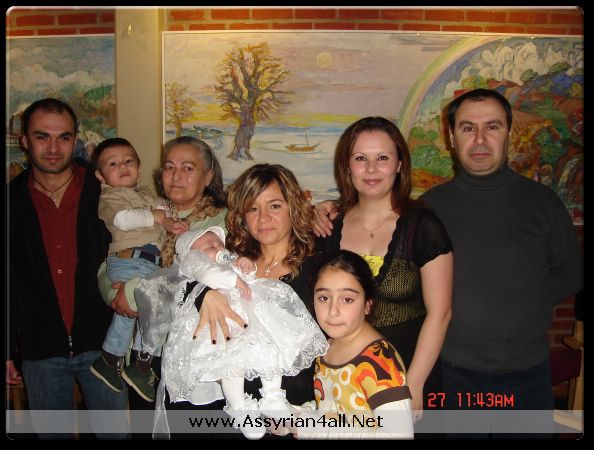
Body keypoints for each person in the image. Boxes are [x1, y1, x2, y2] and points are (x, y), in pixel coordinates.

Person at [418, 88, 583, 434]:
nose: (480, 139)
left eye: (492, 127)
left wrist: (526, 300)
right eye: (468, 128)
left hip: (528, 376)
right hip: (453, 376)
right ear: (452, 137)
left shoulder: (543, 203)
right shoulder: (429, 208)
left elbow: (571, 272)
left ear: (509, 133)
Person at [151, 163, 323, 439]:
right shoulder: (230, 260)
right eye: (253, 209)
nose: (263, 218)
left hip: (292, 414)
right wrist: (204, 295)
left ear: (293, 207)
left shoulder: (318, 269)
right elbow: (175, 284)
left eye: (275, 206)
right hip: (229, 414)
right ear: (242, 216)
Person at [312, 117, 453, 420]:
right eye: (361, 158)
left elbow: (440, 313)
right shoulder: (327, 227)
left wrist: (414, 382)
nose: (372, 169)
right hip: (344, 377)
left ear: (399, 164)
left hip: (408, 368)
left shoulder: (423, 226)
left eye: (383, 158)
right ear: (347, 167)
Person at [7, 98, 129, 439]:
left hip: (105, 346)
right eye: (42, 136)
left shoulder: (105, 189)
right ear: (25, 141)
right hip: (40, 351)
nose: (53, 148)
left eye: (63, 137)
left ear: (75, 139)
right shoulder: (11, 201)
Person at [96, 135, 227, 407]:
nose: (176, 176)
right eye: (169, 167)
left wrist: (134, 291)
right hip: (140, 353)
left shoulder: (221, 221)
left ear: (208, 176)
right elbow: (109, 261)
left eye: (187, 168)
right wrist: (114, 294)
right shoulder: (146, 211)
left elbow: (198, 282)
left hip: (191, 355)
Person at [88, 137, 186, 398]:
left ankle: (122, 361)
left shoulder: (146, 195)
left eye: (129, 161)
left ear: (139, 168)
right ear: (101, 175)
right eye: (113, 164)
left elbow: (164, 215)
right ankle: (132, 362)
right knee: (149, 308)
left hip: (148, 263)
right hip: (130, 260)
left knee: (148, 310)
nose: (123, 166)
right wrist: (156, 216)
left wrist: (170, 222)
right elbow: (123, 219)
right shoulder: (111, 196)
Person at [291, 250, 414, 439]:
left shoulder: (379, 363)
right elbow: (333, 408)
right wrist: (300, 417)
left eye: (347, 299)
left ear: (367, 305)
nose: (333, 311)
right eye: (324, 298)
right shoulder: (328, 346)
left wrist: (314, 430)